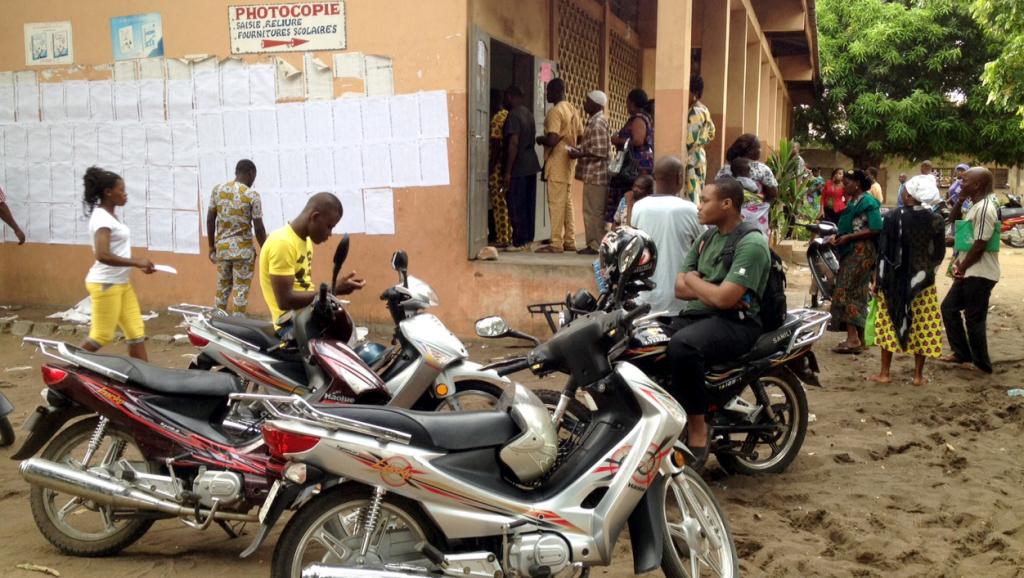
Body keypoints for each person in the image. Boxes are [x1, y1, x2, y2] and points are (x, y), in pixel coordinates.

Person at [670, 177, 771, 465]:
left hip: (737, 323)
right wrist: (705, 288)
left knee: (683, 347)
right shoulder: (707, 238)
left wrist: (695, 281)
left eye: (704, 200)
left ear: (726, 204)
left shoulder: (751, 243)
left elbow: (725, 299)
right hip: (701, 315)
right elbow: (678, 288)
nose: (698, 206)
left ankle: (699, 428)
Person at [868, 175, 946, 386]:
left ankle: (885, 373)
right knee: (923, 326)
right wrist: (927, 273)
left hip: (894, 280)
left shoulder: (893, 217)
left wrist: (878, 280)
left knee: (889, 324)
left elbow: (884, 252)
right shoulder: (936, 220)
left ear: (909, 195)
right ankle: (918, 376)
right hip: (922, 283)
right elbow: (939, 253)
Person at [80, 167, 155, 360]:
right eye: (121, 190)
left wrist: (139, 264)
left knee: (136, 331)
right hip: (105, 284)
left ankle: (144, 379)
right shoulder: (102, 219)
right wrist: (137, 262)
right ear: (108, 192)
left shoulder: (110, 216)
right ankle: (63, 370)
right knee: (101, 335)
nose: (125, 194)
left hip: (120, 283)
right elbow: (102, 254)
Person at [258, 193, 365, 325]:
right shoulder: (282, 243)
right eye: (329, 226)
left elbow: (304, 288)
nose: (330, 234)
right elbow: (285, 301)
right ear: (315, 217)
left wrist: (331, 293)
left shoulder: (306, 242)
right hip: (290, 325)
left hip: (307, 315)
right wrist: (333, 290)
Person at [940, 167, 999, 373]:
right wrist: (959, 199)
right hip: (969, 270)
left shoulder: (984, 208)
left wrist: (962, 268)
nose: (959, 184)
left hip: (979, 272)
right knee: (949, 308)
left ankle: (982, 364)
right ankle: (961, 353)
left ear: (978, 185)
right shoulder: (972, 205)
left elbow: (980, 244)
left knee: (974, 318)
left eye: (964, 181)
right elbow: (953, 220)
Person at [631, 157, 703, 315]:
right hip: (678, 299)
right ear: (680, 177)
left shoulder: (638, 207)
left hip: (644, 297)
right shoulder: (690, 210)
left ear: (655, 177)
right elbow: (705, 245)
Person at [829, 169, 883, 354]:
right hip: (852, 250)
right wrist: (838, 237)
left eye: (848, 183)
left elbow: (876, 228)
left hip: (861, 252)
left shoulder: (868, 202)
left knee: (846, 290)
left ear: (858, 184)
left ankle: (852, 339)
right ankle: (859, 338)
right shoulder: (853, 201)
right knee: (857, 291)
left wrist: (850, 237)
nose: (844, 186)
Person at [207, 159, 268, 315]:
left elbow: (210, 219)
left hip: (223, 250)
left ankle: (216, 326)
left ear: (236, 172)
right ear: (251, 173)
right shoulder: (252, 195)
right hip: (244, 252)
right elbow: (259, 227)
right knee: (240, 293)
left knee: (222, 290)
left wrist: (211, 246)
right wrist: (267, 249)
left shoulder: (217, 190)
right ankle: (236, 327)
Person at [536, 78, 583, 254]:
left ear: (556, 92)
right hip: (569, 160)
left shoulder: (555, 112)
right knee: (567, 202)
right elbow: (580, 137)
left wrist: (540, 139)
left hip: (557, 160)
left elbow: (553, 139)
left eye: (549, 91)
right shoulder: (573, 109)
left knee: (556, 202)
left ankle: (556, 242)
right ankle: (569, 240)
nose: (547, 94)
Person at [569, 90, 610, 254]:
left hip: (597, 175)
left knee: (594, 211)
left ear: (597, 104)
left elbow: (600, 151)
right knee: (591, 210)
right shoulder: (594, 121)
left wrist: (579, 153)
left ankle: (596, 245)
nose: (585, 104)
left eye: (587, 101)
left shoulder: (598, 122)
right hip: (592, 174)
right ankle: (593, 243)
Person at [501, 86, 542, 252]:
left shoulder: (513, 115)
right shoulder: (528, 113)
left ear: (510, 97)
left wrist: (508, 171)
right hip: (531, 163)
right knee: (528, 203)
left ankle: (518, 240)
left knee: (516, 203)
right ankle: (527, 240)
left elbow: (513, 143)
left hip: (519, 166)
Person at [607, 88, 655, 222]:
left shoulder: (638, 119)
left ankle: (627, 221)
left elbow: (638, 140)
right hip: (639, 164)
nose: (627, 105)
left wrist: (617, 140)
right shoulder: (644, 118)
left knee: (631, 195)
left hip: (635, 166)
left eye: (628, 102)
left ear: (632, 103)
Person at [716, 134, 778, 235]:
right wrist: (762, 205)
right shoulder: (762, 169)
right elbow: (773, 192)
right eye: (759, 148)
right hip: (755, 217)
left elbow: (717, 189)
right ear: (751, 151)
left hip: (729, 214)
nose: (760, 151)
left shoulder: (725, 169)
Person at [686, 75, 716, 203]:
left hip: (691, 160)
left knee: (691, 196)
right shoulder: (704, 109)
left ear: (694, 93)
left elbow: (688, 141)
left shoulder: (695, 113)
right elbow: (711, 133)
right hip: (699, 157)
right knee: (697, 193)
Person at [488, 94, 512, 248]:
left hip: (498, 167)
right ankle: (507, 236)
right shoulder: (508, 115)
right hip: (507, 165)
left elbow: (496, 145)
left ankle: (502, 238)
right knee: (506, 203)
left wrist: (490, 167)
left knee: (499, 203)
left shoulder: (497, 118)